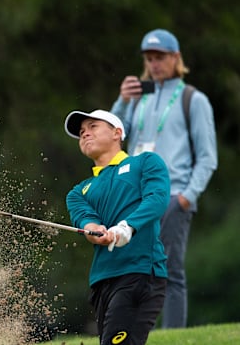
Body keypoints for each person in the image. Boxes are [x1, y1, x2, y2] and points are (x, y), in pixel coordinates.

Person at [109, 28, 218, 328]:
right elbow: (113, 136)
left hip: (173, 196)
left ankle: (173, 334)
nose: (154, 64)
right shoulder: (138, 96)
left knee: (168, 270)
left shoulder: (192, 99)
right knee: (132, 269)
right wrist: (121, 102)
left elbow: (208, 157)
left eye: (160, 57)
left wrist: (186, 197)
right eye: (149, 58)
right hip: (135, 197)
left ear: (175, 58)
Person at [64, 109, 170, 345]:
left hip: (140, 271)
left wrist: (127, 227)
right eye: (81, 132)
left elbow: (157, 199)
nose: (85, 134)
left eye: (93, 127)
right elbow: (86, 221)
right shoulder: (78, 191)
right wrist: (96, 232)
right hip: (102, 281)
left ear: (117, 133)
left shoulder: (144, 162)